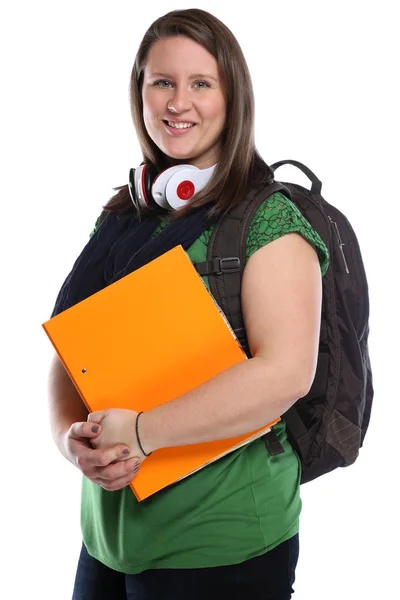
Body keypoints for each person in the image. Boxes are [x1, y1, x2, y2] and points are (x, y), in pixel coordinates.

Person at [48, 8, 329, 600]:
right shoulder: (127, 212)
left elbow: (285, 373)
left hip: (221, 546)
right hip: (109, 542)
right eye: (162, 82)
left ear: (234, 97)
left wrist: (143, 433)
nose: (179, 102)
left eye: (202, 83)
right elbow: (71, 345)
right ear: (140, 94)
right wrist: (66, 441)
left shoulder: (268, 221)